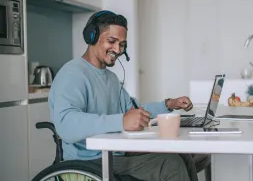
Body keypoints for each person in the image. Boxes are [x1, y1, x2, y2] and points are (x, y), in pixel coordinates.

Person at [48, 10, 202, 181]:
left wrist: (168, 104)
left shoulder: (111, 78)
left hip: (114, 154)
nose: (117, 49)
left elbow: (133, 111)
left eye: (122, 44)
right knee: (170, 164)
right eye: (112, 41)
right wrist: (121, 121)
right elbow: (66, 124)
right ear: (91, 37)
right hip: (89, 161)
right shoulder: (73, 74)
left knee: (182, 155)